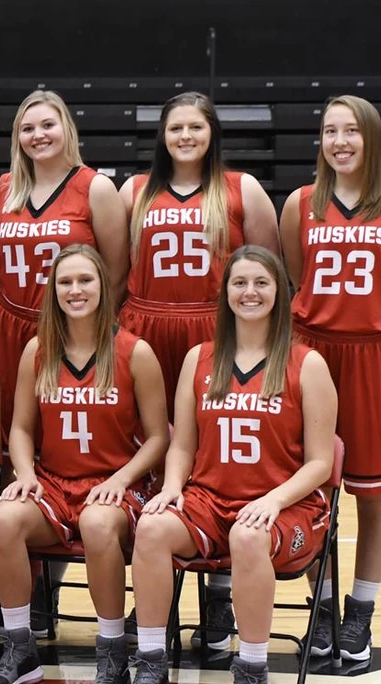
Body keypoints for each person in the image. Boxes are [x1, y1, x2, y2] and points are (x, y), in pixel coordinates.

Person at [118, 246, 337, 684]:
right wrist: (172, 487)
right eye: (239, 283)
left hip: (288, 504)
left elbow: (322, 462)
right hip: (209, 498)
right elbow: (180, 446)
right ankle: (152, 666)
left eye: (261, 282)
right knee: (150, 528)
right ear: (225, 293)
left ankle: (253, 676)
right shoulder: (200, 358)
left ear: (280, 293)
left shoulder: (308, 364)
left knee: (248, 536)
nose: (249, 292)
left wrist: (273, 500)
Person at [280, 95, 381, 661]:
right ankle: (321, 611)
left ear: (371, 138)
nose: (340, 141)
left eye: (351, 131)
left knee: (375, 492)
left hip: (377, 356)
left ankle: (361, 613)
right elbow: (297, 284)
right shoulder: (300, 203)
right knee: (311, 488)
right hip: (313, 356)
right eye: (330, 131)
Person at [117, 91, 278, 647]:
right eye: (176, 127)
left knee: (214, 456)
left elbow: (267, 269)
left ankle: (217, 598)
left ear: (212, 134)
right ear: (162, 135)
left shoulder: (242, 189)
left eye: (196, 127)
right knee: (150, 452)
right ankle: (152, 600)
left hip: (213, 333)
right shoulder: (134, 191)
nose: (185, 136)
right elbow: (116, 272)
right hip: (146, 327)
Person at [0, 245, 168, 684]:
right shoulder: (37, 351)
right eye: (65, 282)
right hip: (56, 483)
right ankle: (20, 647)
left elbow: (160, 437)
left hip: (119, 485)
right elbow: (21, 427)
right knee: (3, 518)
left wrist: (121, 479)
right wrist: (23, 473)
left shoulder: (134, 352)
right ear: (53, 291)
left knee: (98, 524)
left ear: (104, 286)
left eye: (85, 280)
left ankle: (113, 650)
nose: (75, 290)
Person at [0, 90, 129, 635]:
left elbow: (114, 272)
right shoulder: (3, 188)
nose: (38, 136)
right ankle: (27, 588)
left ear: (66, 128)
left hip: (75, 328)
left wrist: (84, 331)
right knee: (13, 449)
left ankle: (63, 585)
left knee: (76, 445)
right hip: (13, 325)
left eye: (47, 125)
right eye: (27, 128)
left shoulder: (95, 187)